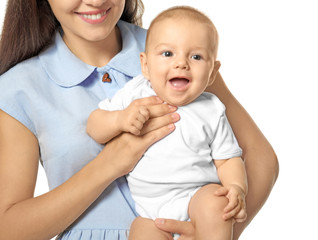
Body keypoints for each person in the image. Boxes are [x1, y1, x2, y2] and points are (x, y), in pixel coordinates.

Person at [0, 0, 278, 240]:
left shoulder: (181, 49)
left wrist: (212, 229)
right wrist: (109, 164)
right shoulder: (20, 88)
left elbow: (260, 159)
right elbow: (7, 228)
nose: (96, 1)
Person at [87, 6, 247, 240]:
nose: (181, 63)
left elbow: (228, 159)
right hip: (150, 213)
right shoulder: (134, 94)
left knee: (217, 205)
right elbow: (94, 125)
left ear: (212, 73)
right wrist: (120, 119)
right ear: (145, 66)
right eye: (167, 54)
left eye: (196, 57)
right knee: (140, 232)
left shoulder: (212, 109)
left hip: (197, 197)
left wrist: (237, 188)